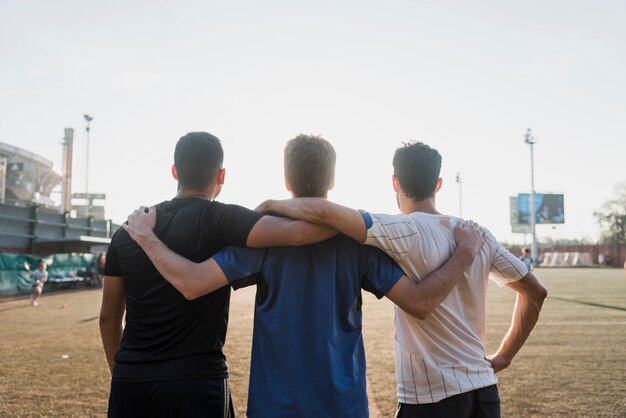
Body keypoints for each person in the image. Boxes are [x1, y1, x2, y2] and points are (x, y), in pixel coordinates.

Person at [123, 134, 484, 418]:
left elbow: (193, 282)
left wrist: (144, 236)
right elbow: (420, 301)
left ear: (286, 179)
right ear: (333, 178)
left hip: (275, 407)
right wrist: (465, 252)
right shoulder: (357, 243)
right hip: (342, 406)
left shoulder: (262, 242)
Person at [256, 141, 548, 418]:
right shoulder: (478, 235)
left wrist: (269, 204)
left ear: (395, 183)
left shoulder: (400, 229)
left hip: (433, 398)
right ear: (438, 184)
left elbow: (322, 211)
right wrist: (504, 357)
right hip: (484, 392)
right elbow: (535, 292)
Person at [99, 132, 340, 418]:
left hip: (131, 381)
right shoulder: (222, 219)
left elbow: (108, 318)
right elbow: (304, 231)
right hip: (197, 381)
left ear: (175, 171)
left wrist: (124, 374)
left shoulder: (129, 230)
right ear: (221, 175)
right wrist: (276, 205)